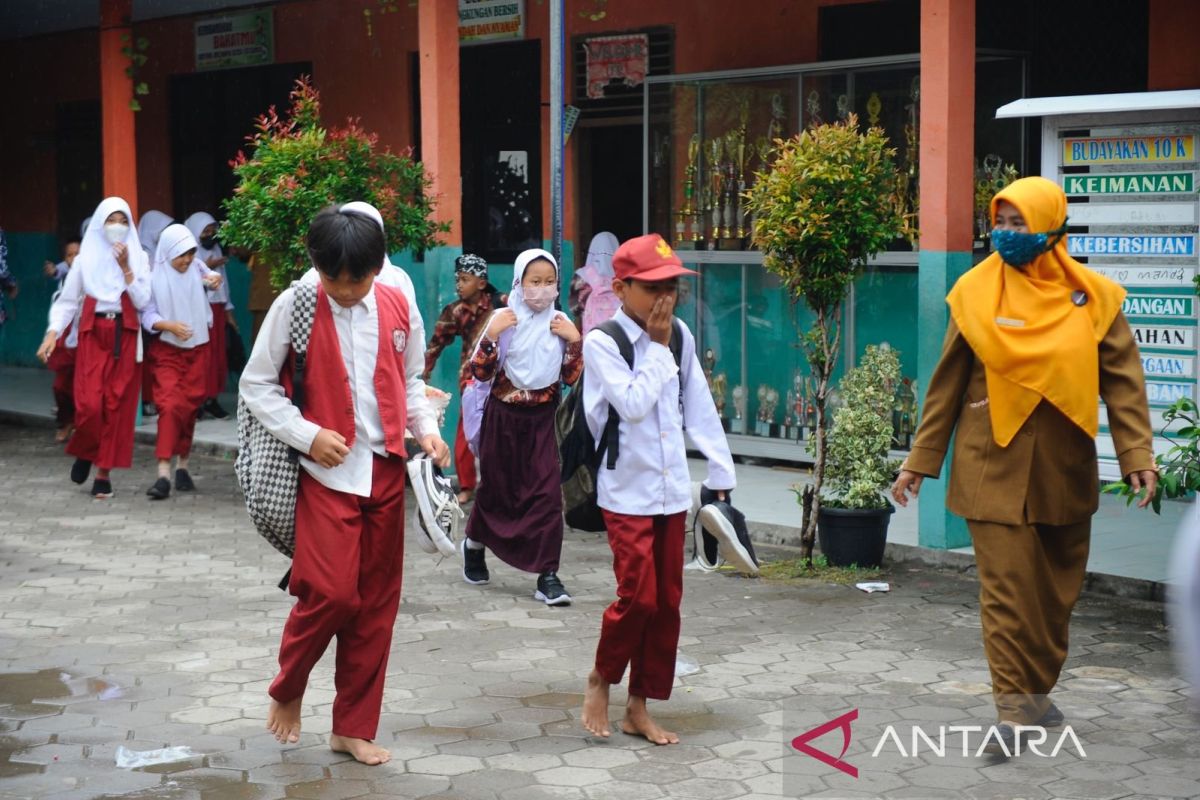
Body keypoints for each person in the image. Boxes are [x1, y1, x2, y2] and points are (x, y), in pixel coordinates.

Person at [891, 176, 1157, 753]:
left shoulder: (1093, 298)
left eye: (1020, 223)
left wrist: (1137, 455)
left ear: (1052, 227)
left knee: (1054, 596)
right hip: (992, 465)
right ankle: (1013, 712)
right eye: (1000, 222)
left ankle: (1036, 694)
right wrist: (920, 460)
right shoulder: (973, 292)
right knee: (1008, 593)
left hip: (1064, 468)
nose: (1007, 235)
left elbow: (1123, 384)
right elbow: (945, 385)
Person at [240, 206, 449, 766]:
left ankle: (352, 726)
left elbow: (410, 381)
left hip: (385, 471)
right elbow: (256, 385)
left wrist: (425, 431)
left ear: (379, 267)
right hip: (325, 474)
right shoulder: (296, 305)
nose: (349, 290)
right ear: (317, 265)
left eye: (360, 278)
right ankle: (288, 685)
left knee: (377, 605)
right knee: (331, 593)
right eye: (336, 279)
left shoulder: (397, 301)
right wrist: (307, 435)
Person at [579, 234, 735, 744]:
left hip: (672, 492)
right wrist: (658, 349)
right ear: (621, 288)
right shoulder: (604, 341)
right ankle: (602, 676)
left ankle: (639, 707)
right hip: (624, 491)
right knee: (637, 598)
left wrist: (720, 475)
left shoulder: (681, 336)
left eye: (673, 287)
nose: (666, 299)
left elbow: (700, 406)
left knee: (667, 602)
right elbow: (631, 404)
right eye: (654, 288)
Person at [460, 249, 580, 605]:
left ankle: (548, 575)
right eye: (534, 282)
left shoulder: (560, 322)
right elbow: (480, 373)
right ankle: (474, 543)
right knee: (498, 491)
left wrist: (575, 340)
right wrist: (492, 337)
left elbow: (571, 377)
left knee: (545, 496)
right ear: (519, 282)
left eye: (549, 282)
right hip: (503, 419)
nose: (542, 290)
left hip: (544, 421)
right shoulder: (503, 317)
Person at [37, 198, 151, 499]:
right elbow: (68, 301)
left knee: (116, 406)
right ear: (101, 224)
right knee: (89, 405)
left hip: (124, 334)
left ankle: (103, 472)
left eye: (124, 220)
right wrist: (52, 334)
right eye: (112, 220)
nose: (118, 227)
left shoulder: (139, 257)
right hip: (92, 333)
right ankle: (86, 451)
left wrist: (126, 267)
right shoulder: (85, 258)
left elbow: (142, 301)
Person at [141, 224, 221, 500]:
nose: (186, 260)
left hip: (199, 348)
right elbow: (148, 316)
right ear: (167, 253)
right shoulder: (154, 278)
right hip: (168, 351)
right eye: (181, 255)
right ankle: (163, 473)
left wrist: (214, 279)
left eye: (189, 253)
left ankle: (182, 466)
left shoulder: (195, 266)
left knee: (189, 407)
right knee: (170, 406)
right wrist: (170, 326)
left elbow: (209, 274)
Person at [423, 253, 506, 504]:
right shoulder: (455, 311)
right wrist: (424, 371)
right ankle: (467, 486)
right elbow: (436, 342)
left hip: (501, 378)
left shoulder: (500, 303)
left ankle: (499, 483)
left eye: (465, 279)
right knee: (465, 432)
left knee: (501, 431)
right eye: (457, 279)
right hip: (470, 379)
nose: (459, 284)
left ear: (481, 283)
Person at [184, 212, 235, 419]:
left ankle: (212, 399)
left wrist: (228, 311)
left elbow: (223, 286)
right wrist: (208, 268)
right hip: (199, 311)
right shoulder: (189, 255)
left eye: (213, 231)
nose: (210, 236)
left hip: (218, 310)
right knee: (201, 357)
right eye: (205, 231)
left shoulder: (215, 249)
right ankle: (198, 400)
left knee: (217, 358)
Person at [137, 210, 175, 418]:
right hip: (146, 313)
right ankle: (146, 400)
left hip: (162, 313)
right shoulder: (141, 253)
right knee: (145, 361)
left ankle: (155, 399)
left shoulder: (163, 252)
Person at [43, 239, 81, 441]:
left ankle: (80, 424)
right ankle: (65, 420)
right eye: (69, 255)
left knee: (82, 387)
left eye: (78, 254)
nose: (74, 259)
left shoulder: (92, 279)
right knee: (60, 386)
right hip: (64, 342)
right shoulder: (64, 281)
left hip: (85, 340)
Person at [570, 231, 621, 335]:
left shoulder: (582, 275)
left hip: (592, 335)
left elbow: (575, 308)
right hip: (619, 334)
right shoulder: (623, 275)